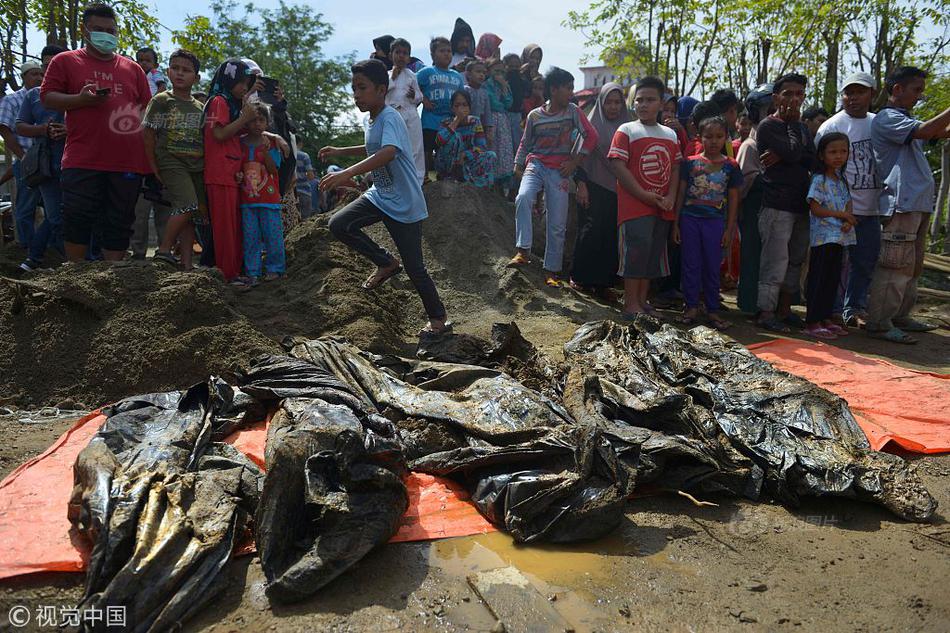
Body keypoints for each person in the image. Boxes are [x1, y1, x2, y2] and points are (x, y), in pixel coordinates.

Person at [320, 59, 449, 335]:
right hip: (380, 195)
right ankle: (386, 262)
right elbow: (372, 147)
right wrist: (338, 151)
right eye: (353, 88)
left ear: (381, 89)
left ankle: (438, 319)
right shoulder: (372, 119)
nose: (356, 94)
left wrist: (345, 173)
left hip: (404, 203)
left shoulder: (391, 116)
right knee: (339, 224)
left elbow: (388, 151)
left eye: (362, 88)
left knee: (416, 268)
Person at [41, 3, 152, 263]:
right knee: (77, 217)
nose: (106, 35)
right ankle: (76, 273)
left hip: (127, 161)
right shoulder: (65, 61)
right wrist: (80, 100)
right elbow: (47, 97)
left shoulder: (132, 68)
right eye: (98, 29)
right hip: (83, 158)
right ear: (85, 30)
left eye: (110, 30)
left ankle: (112, 275)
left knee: (120, 221)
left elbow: (147, 109)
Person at [866, 66, 950, 344]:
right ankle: (879, 322)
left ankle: (900, 315)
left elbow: (938, 131)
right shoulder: (888, 118)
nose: (919, 96)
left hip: (916, 202)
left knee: (912, 264)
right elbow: (928, 131)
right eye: (916, 90)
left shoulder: (906, 119)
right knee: (894, 264)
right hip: (901, 203)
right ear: (897, 90)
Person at [511, 67, 598, 287]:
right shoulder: (534, 115)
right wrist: (517, 165)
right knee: (523, 197)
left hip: (560, 171)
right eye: (568, 88)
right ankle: (523, 250)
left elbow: (591, 136)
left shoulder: (573, 111)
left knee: (557, 223)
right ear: (554, 89)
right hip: (536, 165)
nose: (572, 92)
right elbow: (525, 142)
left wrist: (575, 163)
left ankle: (552, 271)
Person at [608, 76, 682, 318]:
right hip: (634, 206)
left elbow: (675, 168)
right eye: (639, 100)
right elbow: (618, 166)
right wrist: (643, 194)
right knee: (636, 250)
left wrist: (670, 195)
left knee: (653, 253)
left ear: (661, 103)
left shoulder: (670, 135)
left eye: (650, 100)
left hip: (661, 205)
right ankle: (631, 304)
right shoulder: (626, 130)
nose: (643, 105)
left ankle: (642, 301)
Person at [815, 72, 883, 327]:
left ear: (872, 94)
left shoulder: (879, 123)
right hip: (839, 209)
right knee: (835, 263)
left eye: (859, 92)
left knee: (865, 261)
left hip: (871, 206)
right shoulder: (831, 126)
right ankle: (831, 310)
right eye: (848, 92)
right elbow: (818, 167)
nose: (853, 97)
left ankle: (854, 309)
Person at [754, 72, 815, 332]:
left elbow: (813, 161)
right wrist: (790, 147)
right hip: (776, 204)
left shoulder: (802, 128)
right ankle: (766, 312)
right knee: (775, 260)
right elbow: (793, 153)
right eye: (787, 93)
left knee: (795, 260)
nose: (793, 99)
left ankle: (785, 310)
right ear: (776, 97)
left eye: (799, 94)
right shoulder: (769, 126)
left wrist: (789, 152)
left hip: (801, 204)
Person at [673, 115, 741, 330]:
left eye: (719, 136)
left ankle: (712, 309)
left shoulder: (731, 166)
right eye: (708, 136)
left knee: (713, 266)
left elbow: (733, 199)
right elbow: (681, 192)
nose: (713, 141)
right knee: (690, 264)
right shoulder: (690, 163)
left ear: (726, 138)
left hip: (715, 222)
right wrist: (675, 223)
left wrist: (730, 229)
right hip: (689, 219)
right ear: (699, 137)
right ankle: (691, 306)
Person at [144, 49, 205, 271]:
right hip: (171, 161)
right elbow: (148, 134)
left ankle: (187, 264)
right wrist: (154, 167)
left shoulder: (200, 107)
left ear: (196, 77)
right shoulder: (162, 100)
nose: (180, 73)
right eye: (175, 68)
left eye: (186, 70)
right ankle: (163, 250)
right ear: (168, 71)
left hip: (196, 165)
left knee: (188, 213)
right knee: (188, 204)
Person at [570, 82, 630, 302]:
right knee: (591, 230)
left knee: (610, 236)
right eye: (609, 102)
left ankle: (604, 284)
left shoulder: (628, 127)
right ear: (601, 103)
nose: (613, 107)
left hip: (620, 188)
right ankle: (581, 277)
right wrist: (581, 185)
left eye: (617, 102)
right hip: (592, 185)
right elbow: (579, 157)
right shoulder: (591, 125)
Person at [202, 58, 258, 280]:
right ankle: (228, 274)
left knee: (234, 227)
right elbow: (219, 134)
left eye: (248, 83)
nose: (245, 88)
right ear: (228, 79)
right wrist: (244, 118)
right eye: (242, 83)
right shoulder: (218, 101)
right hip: (219, 173)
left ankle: (234, 272)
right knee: (225, 229)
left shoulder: (231, 104)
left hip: (230, 173)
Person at [15, 45, 68, 271]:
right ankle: (76, 263)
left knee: (75, 212)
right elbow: (19, 126)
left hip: (76, 161)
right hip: (44, 164)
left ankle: (35, 258)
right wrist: (43, 130)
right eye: (47, 65)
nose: (51, 68)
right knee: (55, 215)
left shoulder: (79, 90)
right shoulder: (33, 95)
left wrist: (69, 130)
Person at [805, 132, 857, 340]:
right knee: (819, 279)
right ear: (822, 155)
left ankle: (826, 318)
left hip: (839, 237)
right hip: (823, 238)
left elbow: (848, 203)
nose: (838, 156)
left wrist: (847, 220)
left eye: (843, 151)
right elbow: (816, 208)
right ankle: (812, 321)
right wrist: (843, 215)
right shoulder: (819, 180)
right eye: (833, 151)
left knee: (832, 279)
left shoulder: (841, 179)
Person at [735, 83, 773, 314]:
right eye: (767, 108)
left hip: (775, 208)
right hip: (752, 209)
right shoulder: (750, 146)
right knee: (751, 255)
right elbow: (742, 185)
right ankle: (748, 302)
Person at [237, 103, 285, 285]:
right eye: (253, 120)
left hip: (270, 200)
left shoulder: (272, 143)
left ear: (267, 122)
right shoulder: (240, 143)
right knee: (250, 238)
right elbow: (237, 167)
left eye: (261, 120)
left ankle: (275, 269)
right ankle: (253, 272)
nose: (257, 124)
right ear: (246, 122)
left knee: (273, 235)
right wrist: (238, 175)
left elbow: (274, 169)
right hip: (246, 201)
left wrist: (265, 153)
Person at [1, 61, 44, 249]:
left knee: (55, 209)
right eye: (33, 74)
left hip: (48, 159)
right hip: (26, 159)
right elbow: (6, 132)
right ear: (23, 77)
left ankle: (48, 248)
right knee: (26, 208)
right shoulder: (12, 101)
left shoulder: (47, 98)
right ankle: (26, 248)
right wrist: (22, 157)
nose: (38, 78)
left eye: (40, 74)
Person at [417, 37, 465, 176]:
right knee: (427, 149)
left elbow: (461, 96)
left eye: (449, 51)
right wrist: (423, 98)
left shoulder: (457, 76)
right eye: (442, 51)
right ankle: (424, 177)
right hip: (430, 120)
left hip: (449, 122)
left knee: (446, 149)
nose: (446, 54)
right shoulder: (427, 72)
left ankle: (444, 176)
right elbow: (412, 84)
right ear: (432, 54)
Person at [434, 90, 495, 187]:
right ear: (452, 108)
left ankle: (479, 186)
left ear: (469, 107)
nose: (461, 108)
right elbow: (439, 141)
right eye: (457, 105)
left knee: (490, 155)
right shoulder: (446, 122)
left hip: (466, 161)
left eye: (464, 105)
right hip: (447, 163)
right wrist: (457, 120)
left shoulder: (475, 121)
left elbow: (482, 146)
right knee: (455, 137)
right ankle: (449, 176)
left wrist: (465, 155)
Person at [388, 38, 425, 183]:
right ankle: (396, 178)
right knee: (395, 147)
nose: (401, 56)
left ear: (409, 57)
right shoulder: (386, 75)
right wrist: (393, 77)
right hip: (393, 114)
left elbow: (419, 96)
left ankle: (417, 180)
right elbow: (382, 94)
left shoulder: (412, 75)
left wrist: (414, 95)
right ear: (391, 54)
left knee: (415, 147)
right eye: (398, 52)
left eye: (405, 53)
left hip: (410, 113)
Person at [484, 59, 514, 188]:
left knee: (503, 148)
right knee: (492, 146)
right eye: (496, 71)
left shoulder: (504, 85)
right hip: (490, 118)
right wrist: (502, 106)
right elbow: (493, 102)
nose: (499, 74)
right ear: (489, 71)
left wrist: (504, 88)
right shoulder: (486, 85)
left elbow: (509, 103)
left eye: (502, 71)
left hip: (503, 121)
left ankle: (502, 181)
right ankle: (490, 179)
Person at [464, 60, 493, 146]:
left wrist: (489, 131)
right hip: (465, 127)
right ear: (468, 74)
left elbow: (487, 114)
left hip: (479, 128)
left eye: (484, 73)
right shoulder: (465, 90)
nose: (481, 75)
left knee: (480, 148)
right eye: (478, 72)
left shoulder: (484, 93)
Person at [503, 53, 525, 155]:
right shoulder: (503, 80)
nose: (514, 69)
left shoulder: (521, 80)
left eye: (517, 67)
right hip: (505, 114)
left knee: (517, 142)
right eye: (511, 66)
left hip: (517, 115)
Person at [710, 88, 742, 155]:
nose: (734, 114)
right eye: (730, 111)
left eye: (735, 109)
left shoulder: (730, 136)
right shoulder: (712, 141)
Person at [295, 145, 316, 218]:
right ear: (300, 143)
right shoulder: (304, 156)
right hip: (304, 191)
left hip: (291, 193)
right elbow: (311, 176)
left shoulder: (286, 153)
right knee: (305, 222)